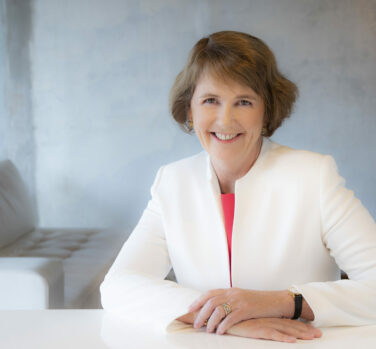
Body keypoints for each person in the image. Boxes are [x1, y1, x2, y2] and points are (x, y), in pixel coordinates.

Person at [100, 31, 376, 343]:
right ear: (189, 109)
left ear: (267, 110)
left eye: (243, 102)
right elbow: (118, 285)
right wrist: (228, 320)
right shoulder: (172, 182)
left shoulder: (314, 176)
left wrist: (282, 303)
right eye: (210, 101)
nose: (225, 119)